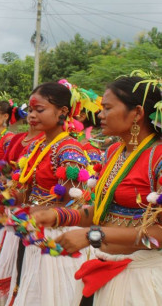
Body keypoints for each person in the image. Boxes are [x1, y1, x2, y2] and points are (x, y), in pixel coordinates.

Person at [35, 76, 162, 306]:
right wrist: (59, 215)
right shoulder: (114, 151)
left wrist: (91, 235)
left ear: (137, 113)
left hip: (140, 281)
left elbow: (160, 233)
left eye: (108, 108)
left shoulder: (159, 157)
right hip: (103, 267)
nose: (100, 115)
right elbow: (103, 212)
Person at [7, 82, 90, 306]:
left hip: (57, 233)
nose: (32, 115)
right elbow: (28, 190)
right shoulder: (38, 146)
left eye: (39, 110)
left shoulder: (69, 149)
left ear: (63, 112)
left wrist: (39, 212)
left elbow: (74, 202)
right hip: (37, 227)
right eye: (31, 110)